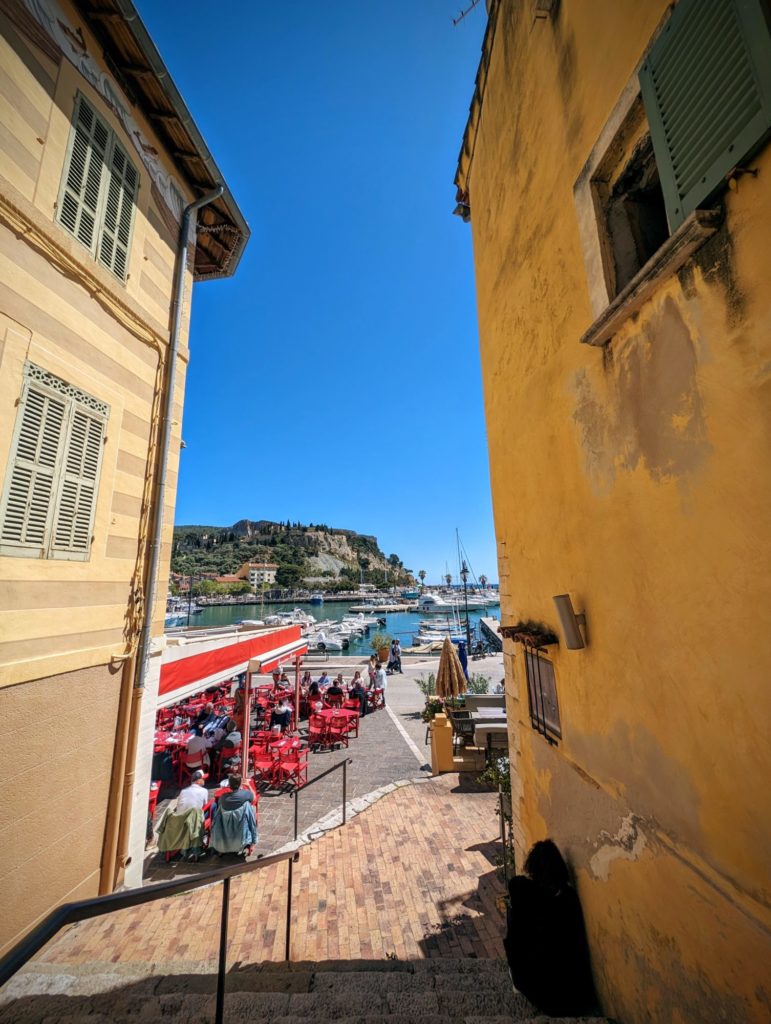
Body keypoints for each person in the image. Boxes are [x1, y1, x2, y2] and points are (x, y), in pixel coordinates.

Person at [503, 839, 596, 1017]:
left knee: (515, 916)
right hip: (576, 996)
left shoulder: (528, 895)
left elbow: (515, 884)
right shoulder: (570, 898)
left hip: (545, 997)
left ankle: (516, 975)